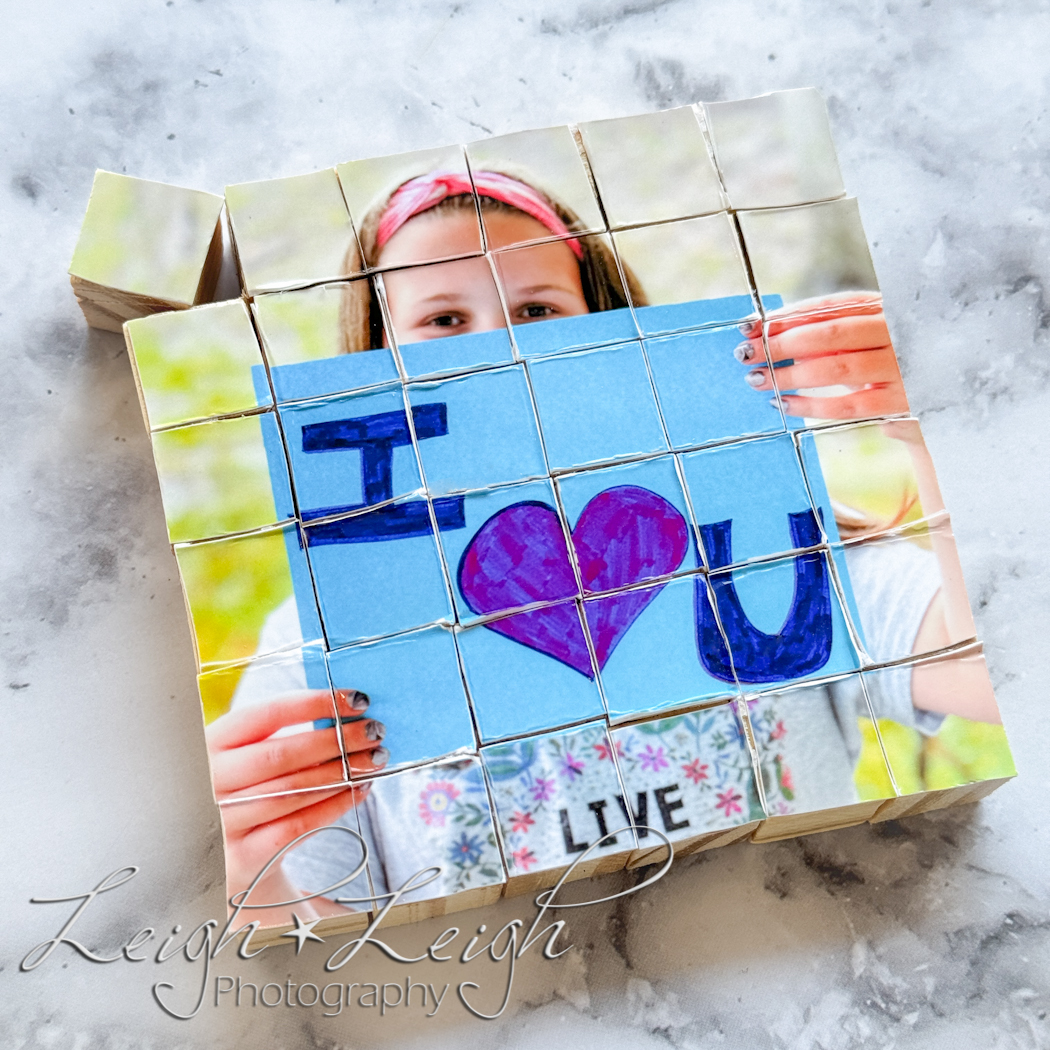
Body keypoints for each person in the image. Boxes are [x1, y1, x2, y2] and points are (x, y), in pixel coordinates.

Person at [206, 168, 1000, 920]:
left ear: (612, 329)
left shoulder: (771, 536)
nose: (500, 349)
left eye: (539, 310)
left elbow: (989, 675)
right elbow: (313, 931)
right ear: (380, 363)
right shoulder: (319, 647)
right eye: (445, 320)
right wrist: (252, 858)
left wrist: (933, 429)